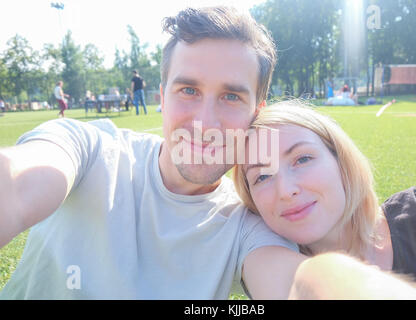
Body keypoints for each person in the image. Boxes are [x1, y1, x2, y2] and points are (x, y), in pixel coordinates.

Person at [0, 6, 304, 300]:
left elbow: (299, 287)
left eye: (231, 96)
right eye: (188, 90)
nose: (204, 123)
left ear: (256, 113)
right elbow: (15, 182)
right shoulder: (90, 148)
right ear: (162, 97)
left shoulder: (245, 226)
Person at [232, 102, 416, 297]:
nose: (286, 190)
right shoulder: (272, 277)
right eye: (262, 176)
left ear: (341, 161)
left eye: (303, 159)